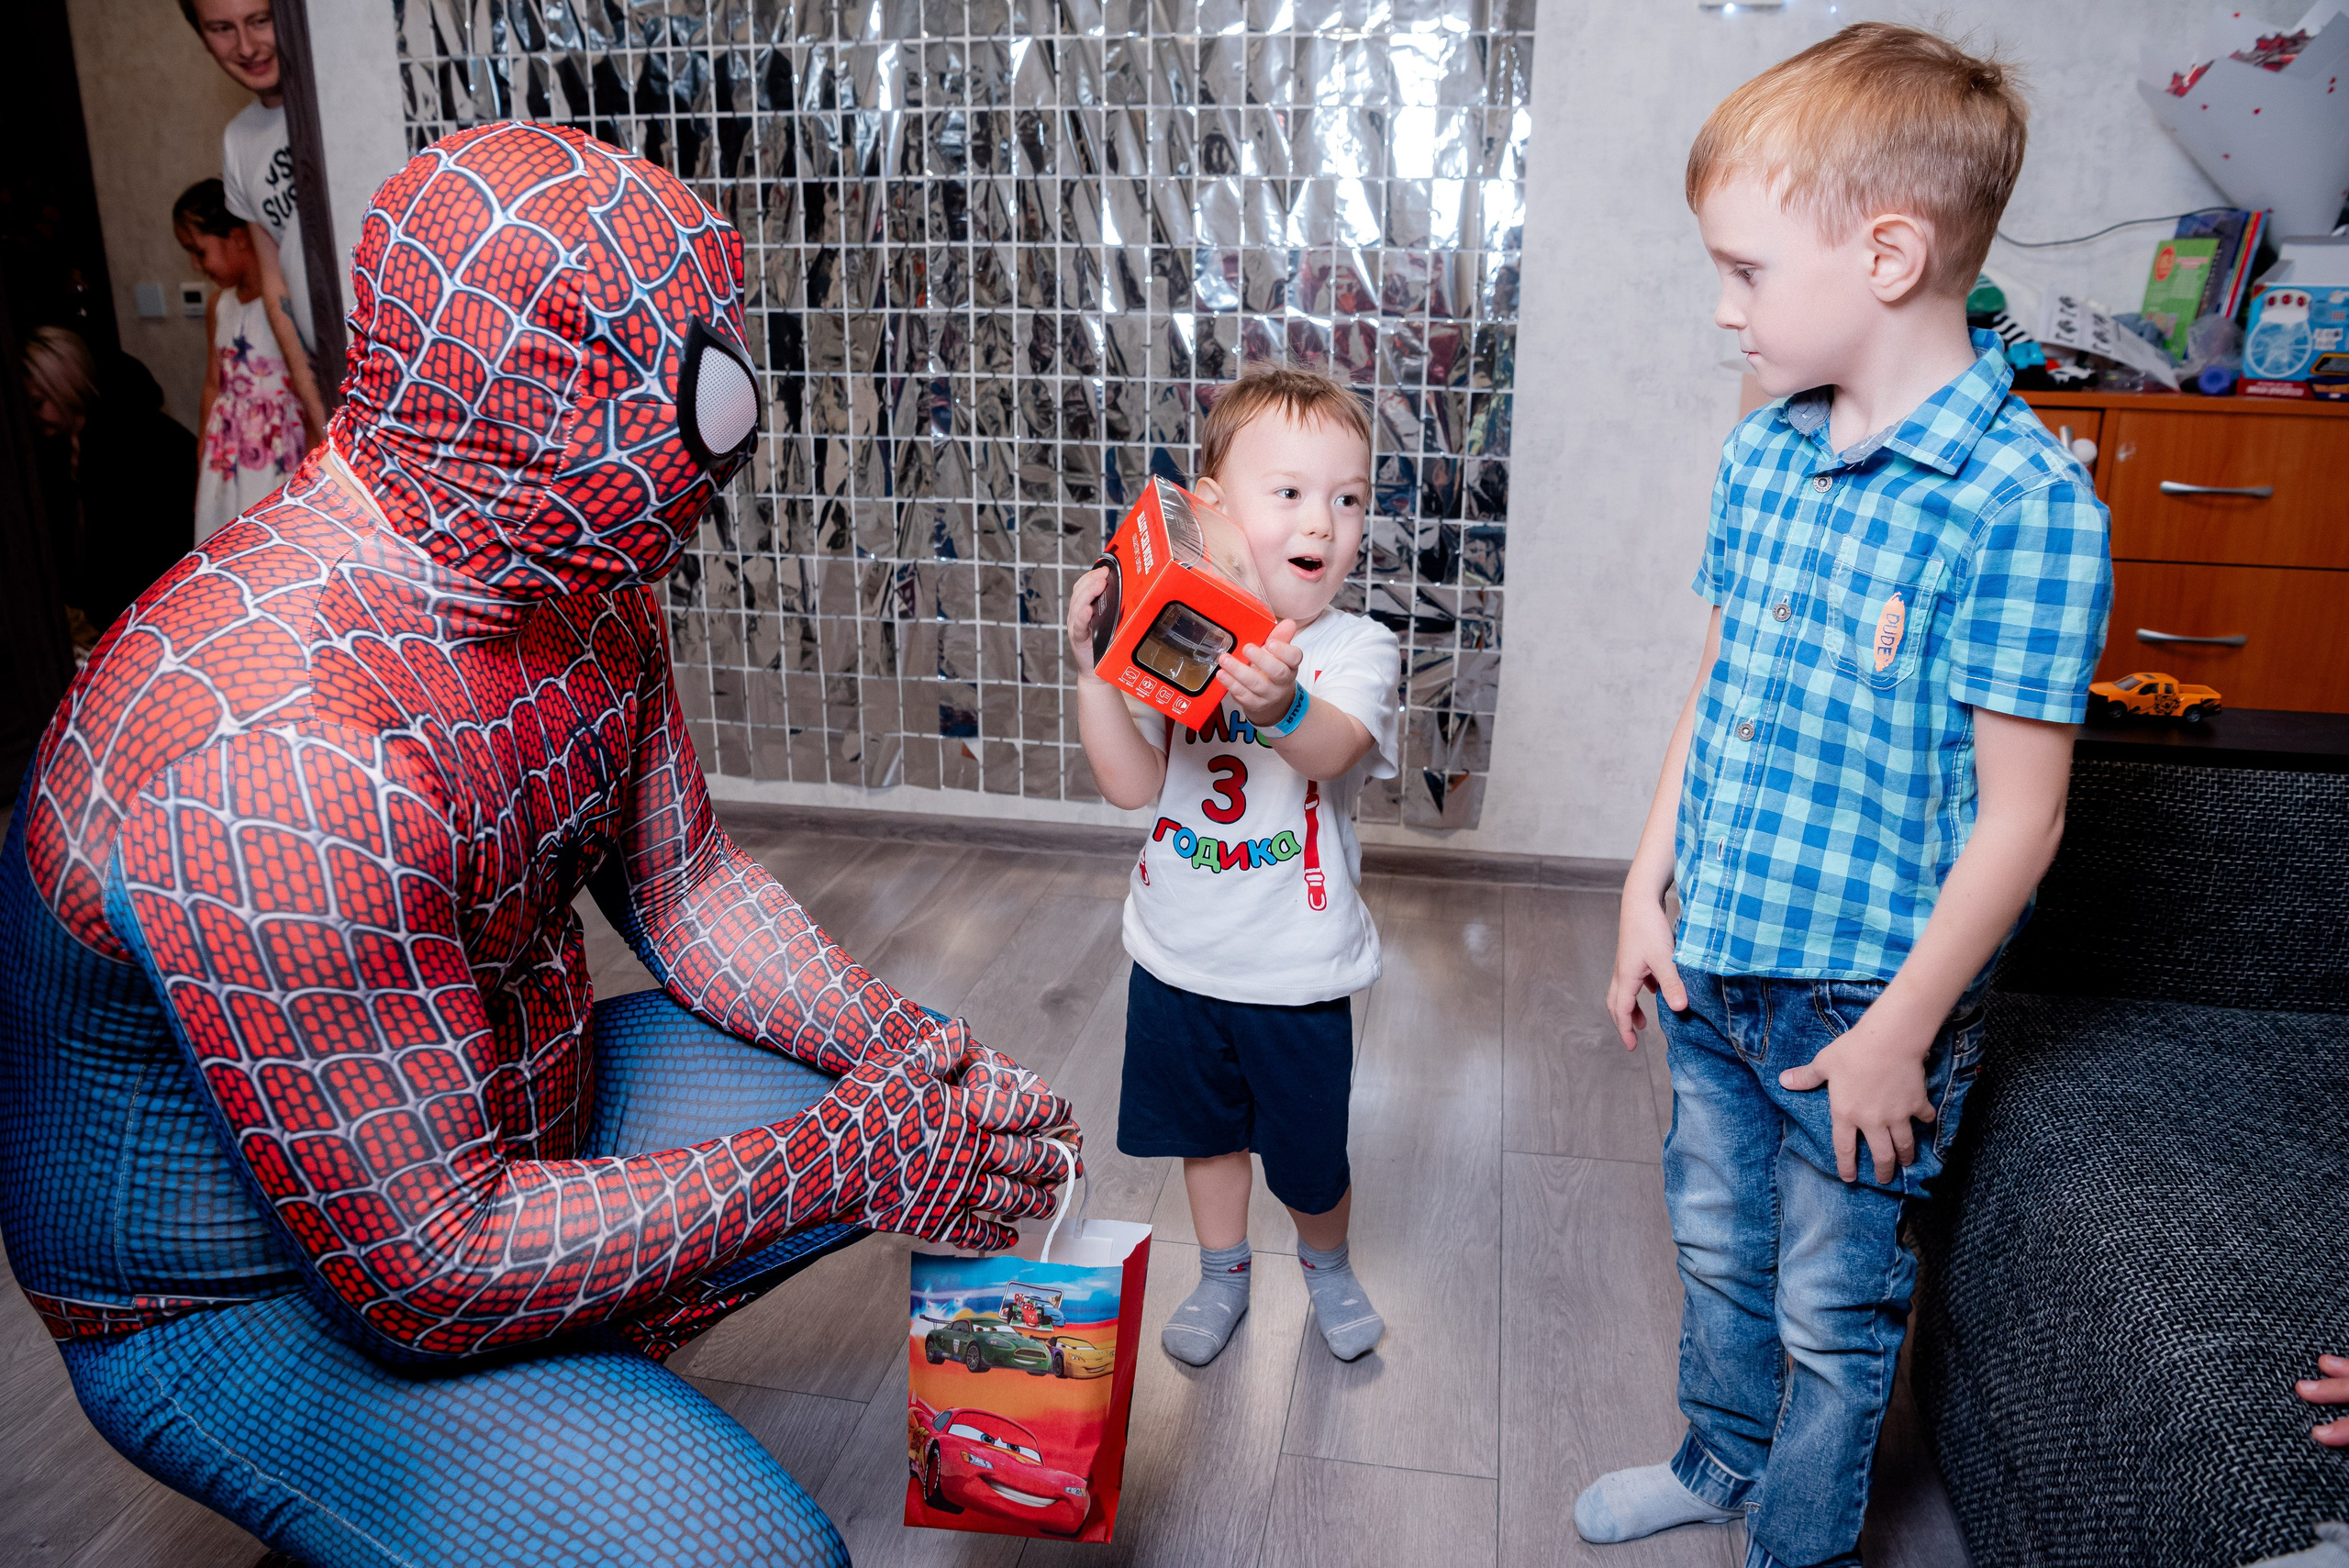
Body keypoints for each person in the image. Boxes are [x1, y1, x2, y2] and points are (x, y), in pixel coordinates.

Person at [0, 122, 1074, 1568]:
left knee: (915, 1082)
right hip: (244, 1288)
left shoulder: (568, 553)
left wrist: (911, 1071)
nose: (736, 417)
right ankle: (497, 1455)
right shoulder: (275, 757)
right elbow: (431, 1269)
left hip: (510, 1127)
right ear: (526, 390)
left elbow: (689, 887)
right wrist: (841, 1160)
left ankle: (550, 1413)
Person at [1581, 27, 2110, 1568]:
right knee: (1719, 1251)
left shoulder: (2025, 509)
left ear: (1890, 252)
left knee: (1832, 1299)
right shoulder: (1767, 455)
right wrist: (1641, 883)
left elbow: (2025, 817)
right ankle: (1717, 1454)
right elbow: (1715, 686)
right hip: (1719, 955)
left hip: (1864, 1006)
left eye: (1746, 271)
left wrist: (1897, 1031)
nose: (1724, 306)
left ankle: (1797, 1537)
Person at [1064, 367, 1400, 1368]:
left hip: (1295, 969)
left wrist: (1281, 706)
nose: (1322, 520)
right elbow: (1132, 787)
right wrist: (1095, 669)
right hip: (1175, 953)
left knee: (1307, 1159)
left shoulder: (1355, 646)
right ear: (1206, 512)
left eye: (1346, 498)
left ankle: (1327, 1265)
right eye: (1289, 492)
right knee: (1205, 1141)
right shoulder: (1182, 636)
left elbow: (1333, 748)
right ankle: (1221, 1274)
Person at [20, 325, 197, 653]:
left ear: (64, 385)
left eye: (38, 402)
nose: (34, 417)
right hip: (123, 619)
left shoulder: (128, 442)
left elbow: (139, 551)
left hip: (165, 610)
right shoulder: (56, 451)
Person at [174, 178, 318, 540]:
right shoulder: (218, 306)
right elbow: (213, 383)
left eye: (199, 251)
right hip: (227, 453)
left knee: (273, 536)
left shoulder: (283, 304)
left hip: (277, 447)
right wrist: (201, 457)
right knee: (226, 537)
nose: (196, 265)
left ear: (238, 238)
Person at [181, 0, 315, 365]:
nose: (246, 47)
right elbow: (275, 284)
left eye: (260, 20)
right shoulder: (238, 140)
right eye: (222, 29)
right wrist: (315, 406)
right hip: (338, 377)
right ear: (203, 37)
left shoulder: (354, 98)